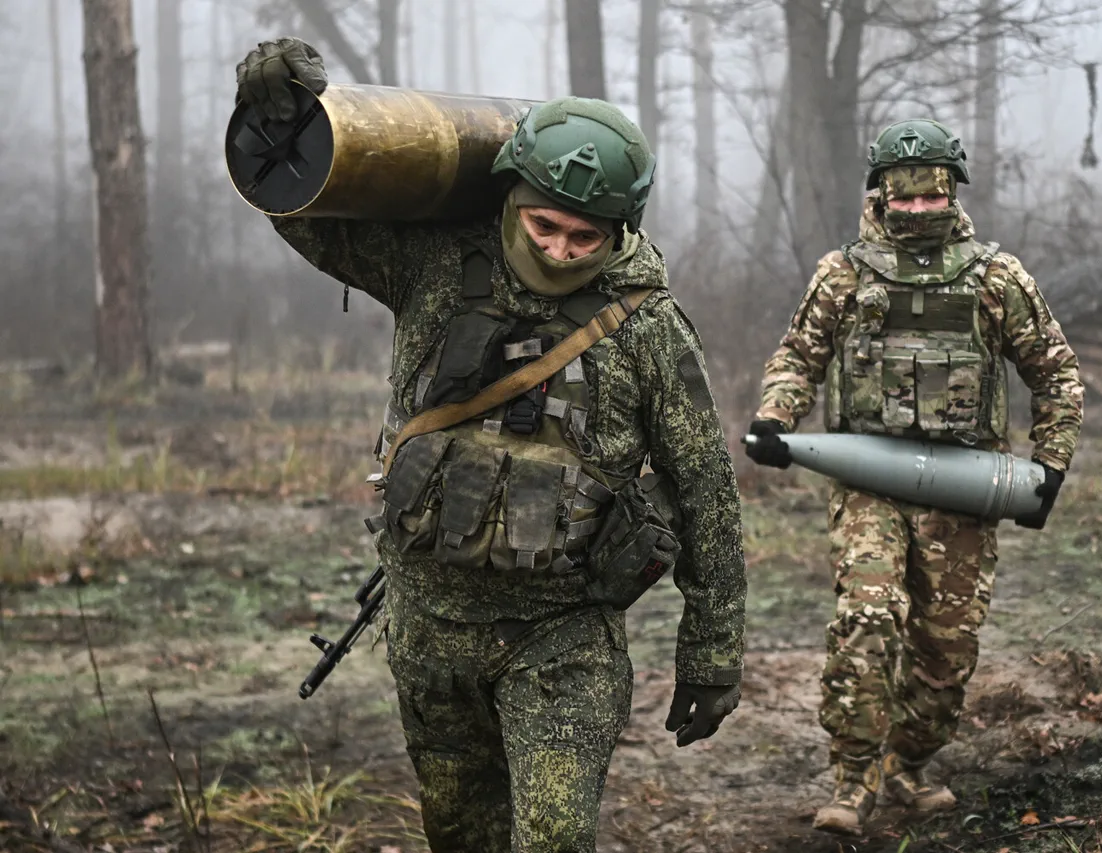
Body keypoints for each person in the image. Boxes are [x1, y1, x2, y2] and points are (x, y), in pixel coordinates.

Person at [235, 38, 747, 853]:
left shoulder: (650, 326)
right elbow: (301, 208)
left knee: (551, 839)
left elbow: (706, 488)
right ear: (509, 197)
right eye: (544, 225)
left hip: (561, 641)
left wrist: (712, 650)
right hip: (428, 632)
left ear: (621, 231)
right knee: (461, 836)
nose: (559, 250)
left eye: (587, 238)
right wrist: (275, 111)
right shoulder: (430, 264)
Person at [745, 119, 1084, 835]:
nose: (921, 214)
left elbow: (1054, 371)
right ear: (881, 195)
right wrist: (776, 417)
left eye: (934, 201)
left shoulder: (996, 277)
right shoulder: (844, 273)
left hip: (963, 489)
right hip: (869, 481)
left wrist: (1050, 464)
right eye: (907, 202)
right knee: (868, 616)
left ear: (952, 193)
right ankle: (852, 780)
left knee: (946, 648)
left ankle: (906, 763)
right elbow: (798, 356)